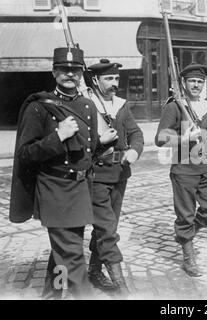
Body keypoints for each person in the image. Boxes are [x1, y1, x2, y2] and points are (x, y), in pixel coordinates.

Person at [9, 47, 115, 299]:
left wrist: (103, 144)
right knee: (73, 256)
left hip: (80, 189)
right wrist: (57, 137)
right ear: (54, 71)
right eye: (64, 69)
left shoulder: (87, 105)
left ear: (81, 74)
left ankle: (51, 295)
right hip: (54, 189)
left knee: (65, 250)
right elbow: (25, 154)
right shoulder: (39, 107)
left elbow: (86, 149)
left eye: (75, 70)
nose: (70, 74)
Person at [155, 63, 207, 277]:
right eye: (192, 81)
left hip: (206, 169)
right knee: (185, 214)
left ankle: (186, 234)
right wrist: (185, 138)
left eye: (200, 81)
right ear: (183, 83)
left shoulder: (206, 106)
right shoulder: (175, 106)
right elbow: (160, 138)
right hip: (183, 170)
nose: (196, 85)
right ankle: (188, 255)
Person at [85, 59, 144, 297]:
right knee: (107, 230)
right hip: (97, 175)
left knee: (107, 226)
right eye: (108, 79)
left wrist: (134, 150)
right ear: (96, 81)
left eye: (116, 79)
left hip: (120, 174)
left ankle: (93, 270)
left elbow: (136, 133)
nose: (114, 84)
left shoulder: (121, 105)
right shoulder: (88, 105)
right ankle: (121, 287)